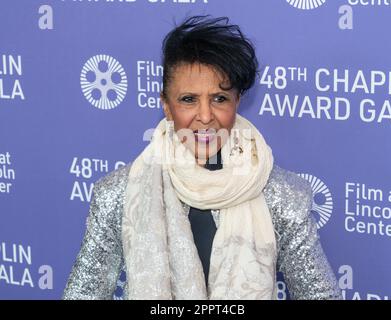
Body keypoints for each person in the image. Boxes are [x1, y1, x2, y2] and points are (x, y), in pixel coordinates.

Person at [63, 15, 341, 300]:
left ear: (237, 102)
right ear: (167, 106)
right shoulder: (118, 194)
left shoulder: (280, 195)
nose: (206, 117)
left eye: (219, 98)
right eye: (188, 99)